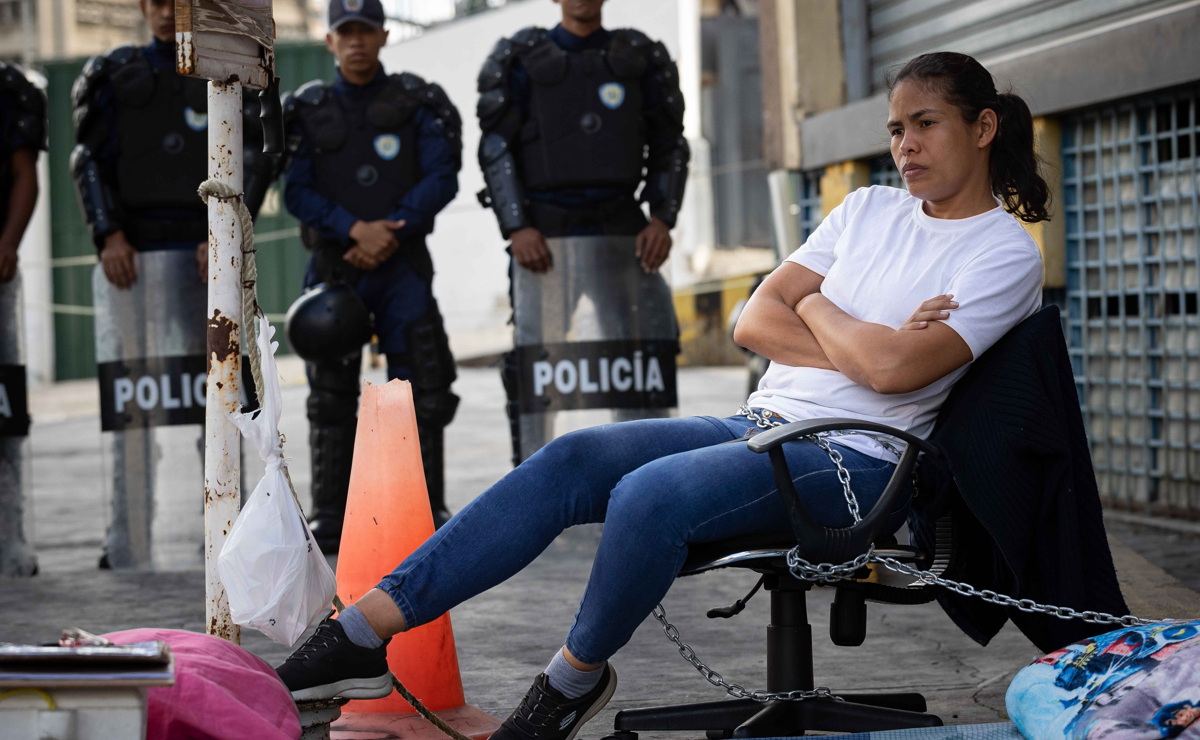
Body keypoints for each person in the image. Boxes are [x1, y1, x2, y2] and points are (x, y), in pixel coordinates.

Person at [276, 51, 1046, 740]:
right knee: (574, 457)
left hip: (861, 458)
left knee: (649, 494)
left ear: (982, 128)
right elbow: (756, 320)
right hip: (761, 423)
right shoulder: (869, 209)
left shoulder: (1002, 251)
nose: (905, 145)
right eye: (895, 128)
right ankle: (361, 634)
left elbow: (891, 377)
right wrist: (857, 329)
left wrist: (813, 305)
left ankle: (569, 683)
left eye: (926, 124)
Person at [71, 0, 273, 569]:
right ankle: (126, 543)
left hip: (203, 257)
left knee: (219, 401)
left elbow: (258, 159)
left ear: (194, 6)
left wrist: (226, 236)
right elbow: (88, 160)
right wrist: (107, 234)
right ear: (143, 8)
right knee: (133, 406)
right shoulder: (113, 74)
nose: (165, 9)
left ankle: (228, 536)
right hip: (130, 260)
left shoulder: (227, 68)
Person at [476, 0, 689, 462]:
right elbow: (496, 145)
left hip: (622, 222)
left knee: (636, 355)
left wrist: (662, 216)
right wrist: (516, 228)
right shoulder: (520, 58)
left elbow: (669, 142)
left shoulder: (640, 57)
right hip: (544, 232)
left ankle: (647, 469)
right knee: (537, 361)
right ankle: (533, 474)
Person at [281, 0, 462, 547]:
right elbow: (297, 190)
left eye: (367, 31)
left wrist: (391, 229)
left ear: (384, 36)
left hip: (401, 262)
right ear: (330, 40)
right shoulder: (307, 110)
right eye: (346, 33)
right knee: (329, 392)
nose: (356, 42)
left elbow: (442, 176)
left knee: (423, 387)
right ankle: (330, 515)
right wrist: (353, 229)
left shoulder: (418, 101)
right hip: (336, 266)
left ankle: (425, 507)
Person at [0, 60, 46, 578]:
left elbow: (22, 175)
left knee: (4, 416)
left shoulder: (11, 90)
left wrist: (7, 245)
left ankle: (10, 539)